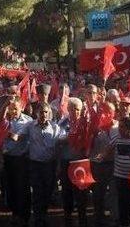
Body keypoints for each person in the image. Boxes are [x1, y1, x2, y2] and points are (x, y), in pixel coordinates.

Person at [21, 103, 67, 227]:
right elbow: (19, 135)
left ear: (49, 113)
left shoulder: (55, 127)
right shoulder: (30, 126)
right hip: (35, 164)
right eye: (41, 112)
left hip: (49, 165)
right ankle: (38, 217)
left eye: (46, 112)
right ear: (37, 113)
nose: (43, 114)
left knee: (48, 191)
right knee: (37, 191)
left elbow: (62, 143)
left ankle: (44, 214)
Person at [58, 97, 89, 227]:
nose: (75, 112)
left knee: (81, 191)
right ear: (68, 109)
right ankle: (68, 215)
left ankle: (82, 217)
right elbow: (58, 137)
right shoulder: (64, 121)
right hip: (67, 161)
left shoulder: (85, 122)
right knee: (67, 190)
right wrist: (71, 137)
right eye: (73, 109)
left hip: (80, 162)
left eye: (78, 109)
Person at [1, 100, 33, 227]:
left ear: (22, 108)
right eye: (11, 108)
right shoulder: (5, 120)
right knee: (11, 187)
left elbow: (16, 138)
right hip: (8, 158)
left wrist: (3, 131)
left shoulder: (28, 121)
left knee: (23, 187)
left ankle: (25, 215)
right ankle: (15, 214)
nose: (13, 111)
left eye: (15, 108)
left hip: (22, 159)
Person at [89, 102, 119, 227]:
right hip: (98, 164)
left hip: (113, 164)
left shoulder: (118, 126)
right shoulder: (94, 126)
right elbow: (86, 145)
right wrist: (92, 134)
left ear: (113, 113)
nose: (106, 114)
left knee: (114, 192)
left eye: (109, 111)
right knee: (98, 193)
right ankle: (99, 217)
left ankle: (115, 218)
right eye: (103, 111)